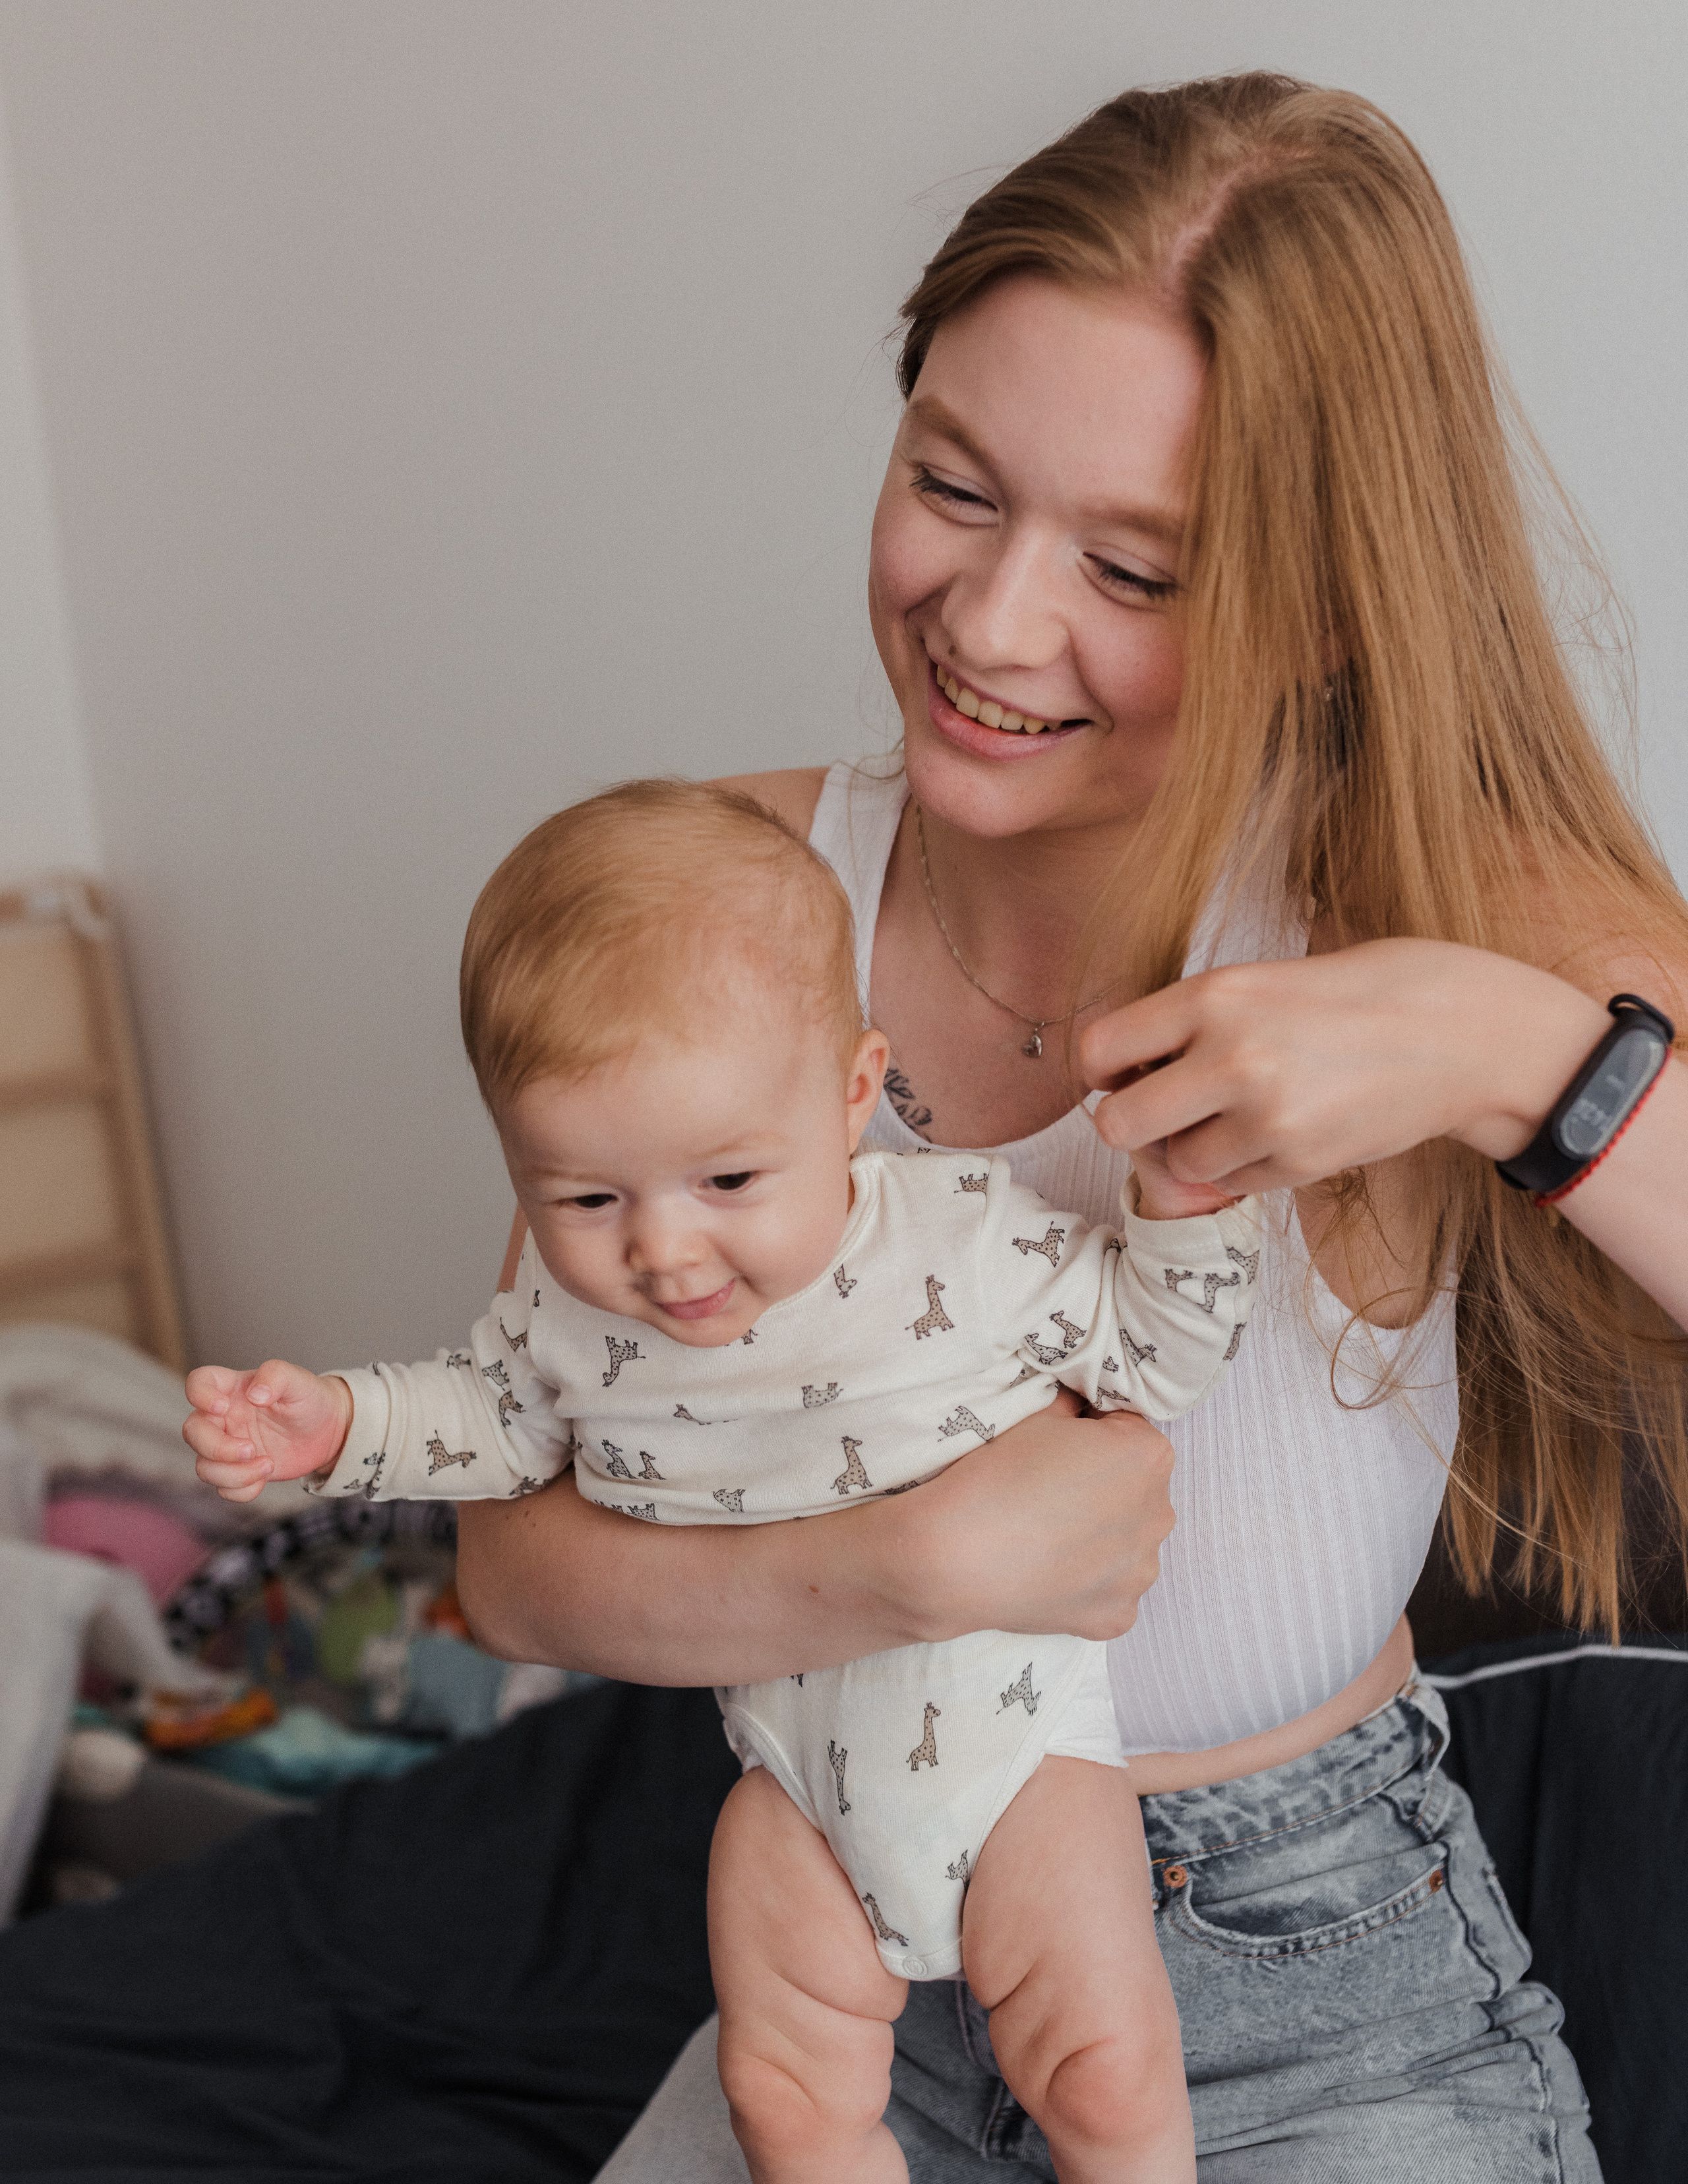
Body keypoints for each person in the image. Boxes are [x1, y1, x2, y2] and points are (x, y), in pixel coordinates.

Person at [456, 73, 1687, 2181]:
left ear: (1316, 603)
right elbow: (516, 1558)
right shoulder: (740, 893)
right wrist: (902, 1561)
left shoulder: (1441, 907)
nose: (996, 626)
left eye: (1134, 564)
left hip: (1312, 1977)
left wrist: (1506, 1055)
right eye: (953, 484)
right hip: (863, 1951)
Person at [185, 779, 1266, 2183]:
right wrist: (329, 1425)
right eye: (583, 1199)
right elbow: (487, 1424)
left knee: (1107, 2077)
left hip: (1016, 1758)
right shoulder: (572, 1325)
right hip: (793, 1794)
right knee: (782, 2094)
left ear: (853, 1090)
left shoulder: (959, 1244)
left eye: (729, 1180)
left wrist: (1186, 1210)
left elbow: (1154, 1353)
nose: (665, 1256)